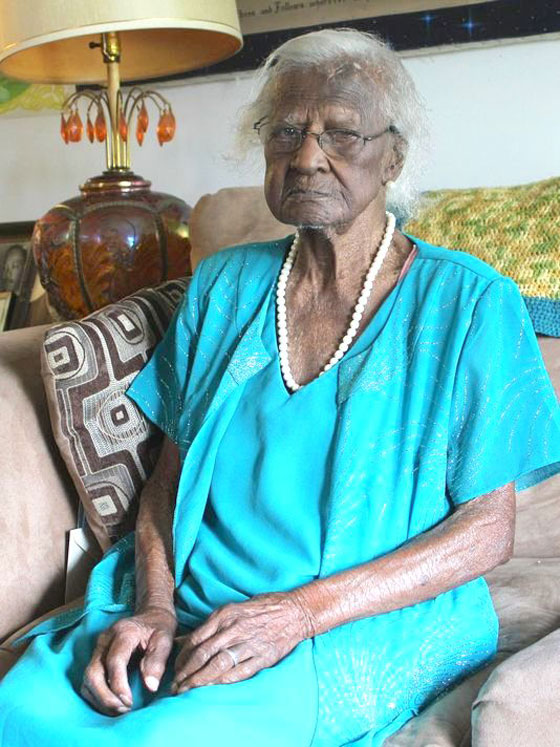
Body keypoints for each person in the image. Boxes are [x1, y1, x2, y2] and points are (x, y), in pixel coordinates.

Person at [1, 28, 560, 747]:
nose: (306, 157)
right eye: (286, 132)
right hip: (195, 602)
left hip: (351, 619)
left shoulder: (472, 303)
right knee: (21, 707)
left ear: (393, 157)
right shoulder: (223, 286)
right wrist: (155, 606)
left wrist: (297, 614)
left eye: (342, 134)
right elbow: (166, 484)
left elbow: (486, 532)